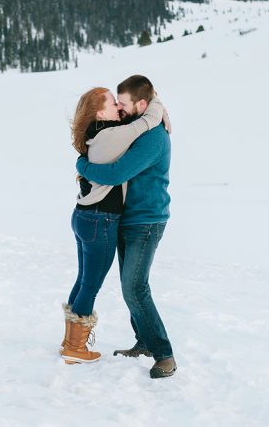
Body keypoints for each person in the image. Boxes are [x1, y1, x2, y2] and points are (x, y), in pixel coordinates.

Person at [75, 74, 176, 379]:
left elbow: (118, 173)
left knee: (134, 287)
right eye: (116, 103)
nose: (118, 108)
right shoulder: (138, 122)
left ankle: (164, 355)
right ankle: (144, 340)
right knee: (129, 285)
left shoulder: (154, 137)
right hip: (128, 217)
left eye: (123, 104)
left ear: (141, 105)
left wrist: (82, 165)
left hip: (146, 220)